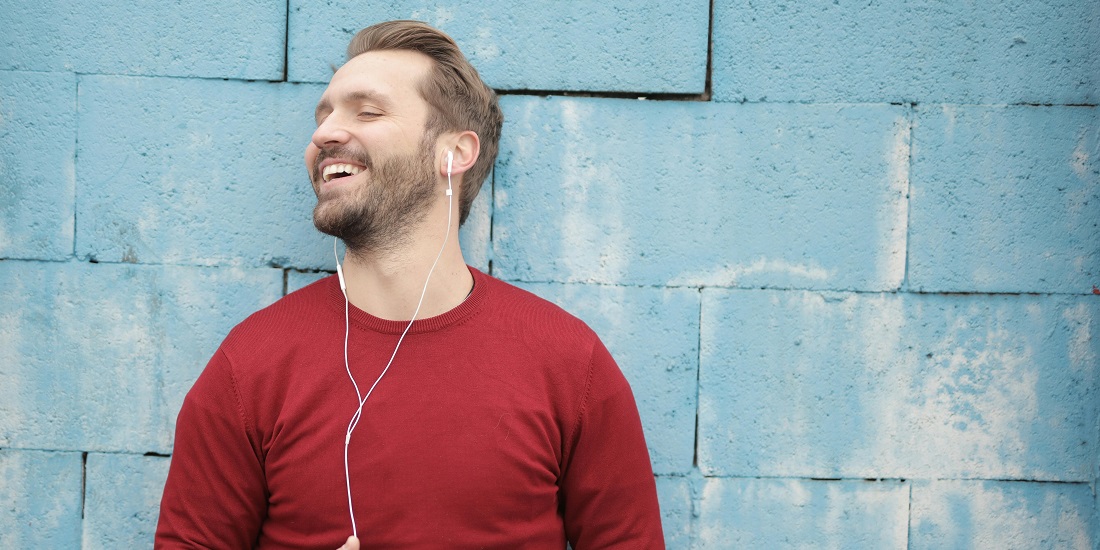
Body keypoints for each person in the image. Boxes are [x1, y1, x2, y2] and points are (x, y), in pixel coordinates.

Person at [156, 20, 664, 549]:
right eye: (323, 116)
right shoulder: (251, 363)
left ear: (455, 153)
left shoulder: (568, 361)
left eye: (368, 112)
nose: (323, 134)